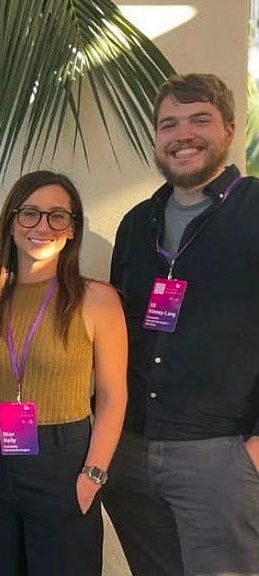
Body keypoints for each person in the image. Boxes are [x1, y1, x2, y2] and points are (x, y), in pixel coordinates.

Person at [103, 73, 259, 575]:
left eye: (199, 120)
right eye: (168, 123)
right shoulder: (136, 223)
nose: (182, 134)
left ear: (230, 129)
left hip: (221, 456)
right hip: (129, 455)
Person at [0, 170, 127, 575]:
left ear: (72, 230)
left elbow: (114, 397)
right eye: (30, 214)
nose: (42, 226)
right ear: (11, 223)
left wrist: (92, 476)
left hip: (63, 465)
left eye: (57, 216)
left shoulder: (98, 300)